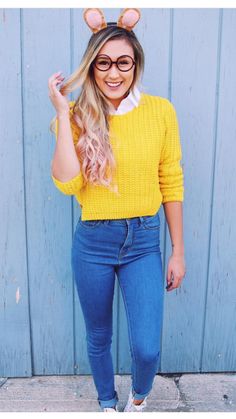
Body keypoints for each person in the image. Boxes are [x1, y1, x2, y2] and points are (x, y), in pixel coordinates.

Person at [48, 8, 186, 412]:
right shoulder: (76, 118)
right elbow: (68, 183)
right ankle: (107, 403)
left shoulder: (161, 112)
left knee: (147, 348)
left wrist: (177, 250)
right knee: (99, 335)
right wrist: (61, 112)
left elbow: (171, 181)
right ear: (92, 67)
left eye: (123, 62)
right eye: (103, 63)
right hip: (93, 241)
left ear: (135, 64)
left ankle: (137, 399)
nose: (113, 73)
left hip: (143, 240)